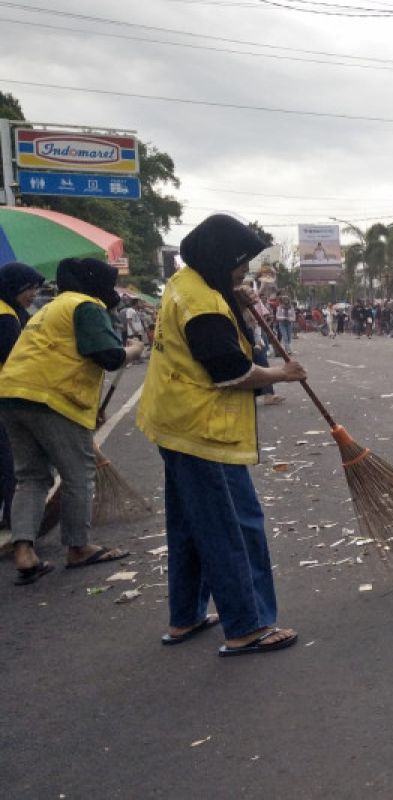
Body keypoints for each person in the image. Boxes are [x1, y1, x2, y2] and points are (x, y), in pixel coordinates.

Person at [138, 213, 306, 655]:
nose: (244, 272)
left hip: (173, 421)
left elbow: (210, 324)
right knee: (233, 526)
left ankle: (186, 616)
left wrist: (234, 295)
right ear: (221, 259)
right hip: (203, 429)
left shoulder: (185, 283)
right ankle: (247, 625)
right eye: (240, 264)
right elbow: (228, 368)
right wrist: (281, 374)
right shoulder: (206, 305)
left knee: (190, 525)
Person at [0, 257, 144, 585]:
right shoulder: (86, 306)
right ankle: (78, 547)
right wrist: (133, 350)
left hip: (11, 395)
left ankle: (24, 551)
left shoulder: (51, 307)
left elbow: (60, 353)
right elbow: (108, 356)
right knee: (79, 472)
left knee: (30, 477)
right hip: (51, 398)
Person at [0, 261, 45, 541]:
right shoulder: (5, 318)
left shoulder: (11, 312)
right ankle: (17, 525)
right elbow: (16, 359)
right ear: (14, 287)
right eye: (29, 289)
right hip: (7, 397)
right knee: (11, 461)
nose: (33, 295)